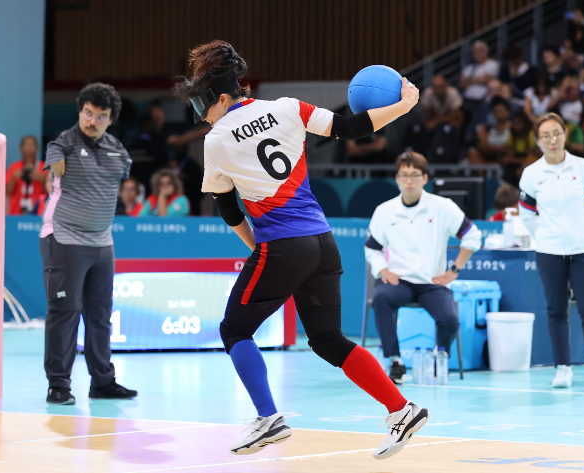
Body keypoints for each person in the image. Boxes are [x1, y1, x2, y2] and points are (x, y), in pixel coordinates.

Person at [174, 40, 428, 459]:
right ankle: (402, 409)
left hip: (283, 246)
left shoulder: (217, 139)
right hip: (324, 244)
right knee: (328, 338)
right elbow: (351, 127)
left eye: (203, 106)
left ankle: (268, 418)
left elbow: (225, 205)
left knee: (234, 330)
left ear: (222, 97)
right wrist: (402, 106)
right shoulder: (288, 107)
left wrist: (259, 248)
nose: (202, 116)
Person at [39, 82, 137, 405]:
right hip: (64, 238)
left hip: (102, 242)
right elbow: (52, 156)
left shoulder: (117, 150)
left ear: (111, 120)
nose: (91, 120)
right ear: (80, 112)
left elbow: (123, 173)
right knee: (65, 311)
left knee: (100, 313)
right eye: (87, 113)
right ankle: (59, 384)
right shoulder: (62, 143)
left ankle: (103, 381)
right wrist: (56, 165)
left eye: (100, 116)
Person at [365, 152, 481, 384]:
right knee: (381, 298)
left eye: (415, 175)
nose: (409, 181)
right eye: (404, 175)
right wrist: (384, 271)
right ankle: (395, 361)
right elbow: (371, 248)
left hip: (431, 282)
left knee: (449, 320)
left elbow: (472, 236)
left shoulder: (442, 207)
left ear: (425, 178)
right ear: (397, 179)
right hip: (401, 281)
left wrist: (453, 271)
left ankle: (440, 357)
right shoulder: (384, 211)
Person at [519, 112, 584, 390]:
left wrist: (583, 230)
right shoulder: (532, 174)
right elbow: (527, 214)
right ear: (538, 140)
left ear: (565, 134)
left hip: (582, 249)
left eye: (556, 133)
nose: (552, 140)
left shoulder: (583, 167)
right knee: (556, 310)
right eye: (546, 135)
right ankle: (562, 369)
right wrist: (544, 236)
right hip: (548, 251)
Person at [5, 136, 47, 215]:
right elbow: (7, 193)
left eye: (32, 145)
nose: (29, 148)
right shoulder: (14, 167)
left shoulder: (44, 167)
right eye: (27, 145)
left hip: (39, 213)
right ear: (20, 149)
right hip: (16, 213)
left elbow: (52, 193)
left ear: (37, 148)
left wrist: (42, 180)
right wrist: (13, 179)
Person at [468, 96, 512, 165]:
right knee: (472, 152)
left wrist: (494, 149)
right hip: (489, 156)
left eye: (501, 111)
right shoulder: (488, 129)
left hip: (505, 158)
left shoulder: (513, 129)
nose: (498, 114)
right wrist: (500, 149)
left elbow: (510, 148)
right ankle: (481, 175)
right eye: (496, 111)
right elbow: (483, 146)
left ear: (508, 112)